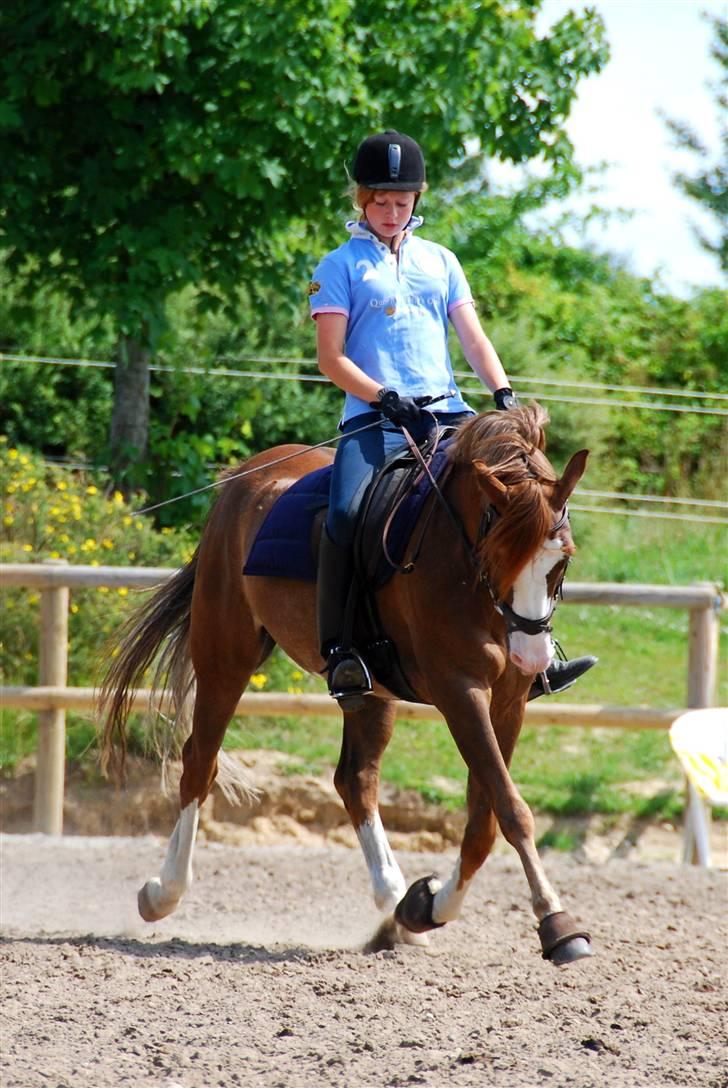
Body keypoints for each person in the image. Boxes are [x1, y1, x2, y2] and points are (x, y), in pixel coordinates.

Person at [308, 129, 595, 708]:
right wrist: (384, 397)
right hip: (375, 422)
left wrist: (504, 392)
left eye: (402, 202)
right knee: (342, 514)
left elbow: (472, 336)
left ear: (417, 201)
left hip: (450, 416)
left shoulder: (440, 262)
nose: (392, 213)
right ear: (361, 200)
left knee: (534, 501)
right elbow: (330, 358)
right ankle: (342, 650)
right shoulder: (338, 265)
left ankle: (539, 647)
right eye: (381, 202)